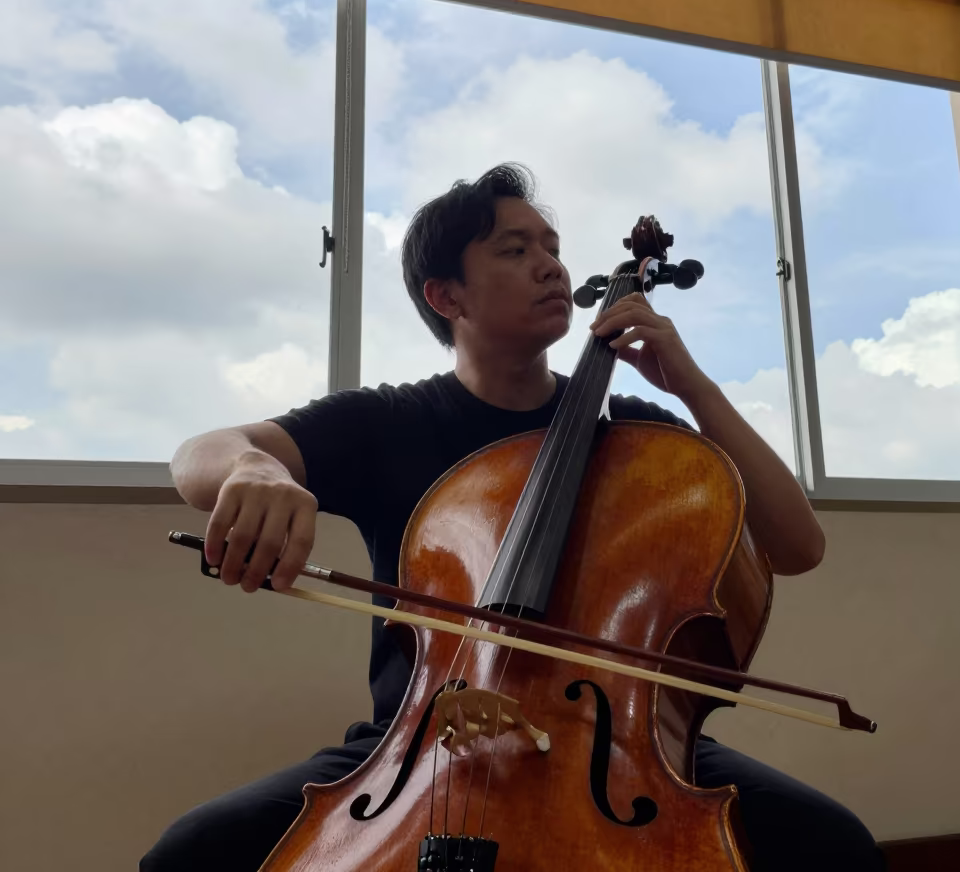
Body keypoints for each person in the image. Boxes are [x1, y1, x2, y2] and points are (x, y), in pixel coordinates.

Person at [143, 164, 884, 871]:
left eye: (554, 250)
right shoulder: (391, 421)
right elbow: (202, 453)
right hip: (422, 742)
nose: (552, 266)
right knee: (192, 853)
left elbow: (796, 545)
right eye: (516, 249)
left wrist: (692, 386)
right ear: (446, 296)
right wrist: (253, 468)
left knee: (832, 845)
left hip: (620, 744)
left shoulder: (639, 444)